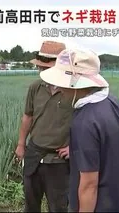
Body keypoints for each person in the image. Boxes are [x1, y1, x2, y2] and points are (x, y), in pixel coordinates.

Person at [39, 48, 119, 212]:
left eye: (62, 84)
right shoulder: (111, 102)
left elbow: (89, 185)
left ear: (75, 84)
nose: (59, 89)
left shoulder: (84, 122)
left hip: (102, 205)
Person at [15, 41, 74, 212]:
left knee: (58, 206)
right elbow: (28, 116)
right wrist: (21, 144)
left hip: (59, 160)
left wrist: (74, 147)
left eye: (47, 67)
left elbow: (85, 122)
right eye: (41, 67)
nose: (42, 71)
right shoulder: (36, 87)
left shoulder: (73, 90)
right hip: (34, 154)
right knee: (31, 203)